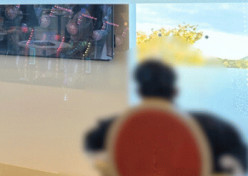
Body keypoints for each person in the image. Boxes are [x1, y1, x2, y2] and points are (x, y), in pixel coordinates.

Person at [85, 59, 247, 173]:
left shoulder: (113, 127)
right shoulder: (213, 127)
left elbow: (91, 144)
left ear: (139, 92)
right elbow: (241, 159)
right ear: (175, 91)